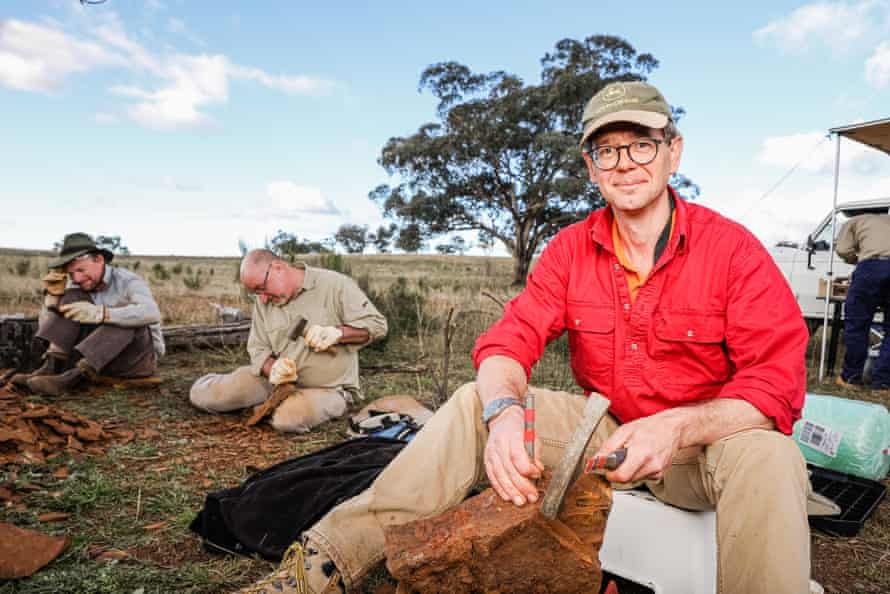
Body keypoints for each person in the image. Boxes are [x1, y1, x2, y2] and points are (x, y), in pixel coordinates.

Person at [239, 82, 812, 594]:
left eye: (641, 144)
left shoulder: (732, 251)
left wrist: (679, 425)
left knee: (769, 452)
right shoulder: (569, 250)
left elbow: (776, 383)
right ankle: (324, 564)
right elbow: (507, 342)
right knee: (473, 403)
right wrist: (505, 411)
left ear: (673, 152)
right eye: (606, 150)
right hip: (608, 432)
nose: (625, 164)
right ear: (591, 165)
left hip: (704, 446)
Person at [189, 249, 387, 433]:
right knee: (207, 397)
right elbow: (258, 348)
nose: (263, 299)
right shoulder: (264, 299)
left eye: (262, 288)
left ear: (278, 268)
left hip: (328, 388)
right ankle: (258, 397)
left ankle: (283, 405)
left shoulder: (335, 285)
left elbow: (378, 325)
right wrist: (272, 368)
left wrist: (338, 333)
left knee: (288, 419)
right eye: (256, 293)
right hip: (275, 384)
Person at [13, 232, 164, 395]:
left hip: (134, 360)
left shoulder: (128, 281)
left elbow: (152, 313)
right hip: (93, 356)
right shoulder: (76, 284)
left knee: (124, 316)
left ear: (98, 260)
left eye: (80, 270)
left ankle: (72, 379)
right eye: (71, 274)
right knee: (71, 296)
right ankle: (51, 368)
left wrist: (102, 313)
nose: (76, 278)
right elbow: (50, 330)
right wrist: (53, 300)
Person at [835, 207, 890, 390]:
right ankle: (883, 383)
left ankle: (851, 378)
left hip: (871, 268)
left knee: (857, 324)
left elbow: (843, 249)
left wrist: (857, 259)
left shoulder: (854, 221)